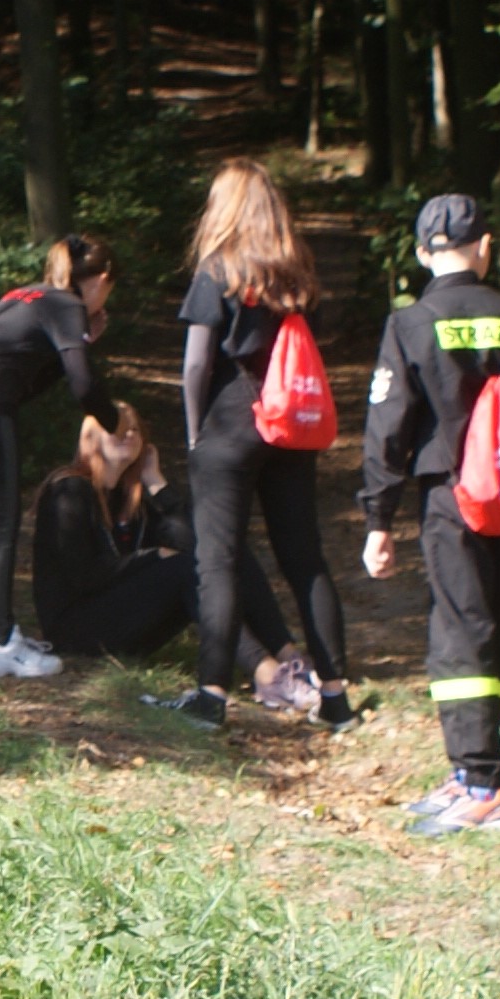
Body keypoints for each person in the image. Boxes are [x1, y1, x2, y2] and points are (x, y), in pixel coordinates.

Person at [360, 194, 500, 837]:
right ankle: (473, 769)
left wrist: (378, 518)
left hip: (452, 497)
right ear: (487, 247)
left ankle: (481, 783)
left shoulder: (411, 325)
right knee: (499, 625)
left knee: (460, 629)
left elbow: (388, 426)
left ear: (421, 254)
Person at [162, 161, 356, 733]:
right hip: (289, 430)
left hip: (229, 428)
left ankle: (212, 694)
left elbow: (197, 362)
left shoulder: (217, 270)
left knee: (217, 560)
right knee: (305, 557)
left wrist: (194, 432)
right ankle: (338, 697)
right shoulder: (298, 274)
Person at [31, 407, 317, 710]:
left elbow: (194, 539)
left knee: (223, 550)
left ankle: (289, 656)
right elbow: (82, 575)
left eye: (135, 430)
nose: (128, 434)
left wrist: (157, 483)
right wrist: (151, 557)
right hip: (77, 630)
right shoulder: (69, 489)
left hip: (124, 625)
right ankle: (268, 675)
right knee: (184, 569)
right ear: (91, 437)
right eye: (117, 428)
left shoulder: (132, 497)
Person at [0, 234, 119, 680]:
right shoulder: (66, 304)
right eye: (110, 287)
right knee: (0, 521)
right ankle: (0, 642)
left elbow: (24, 387)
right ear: (100, 279)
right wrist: (114, 421)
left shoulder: (24, 296)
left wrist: (78, 346)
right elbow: (84, 386)